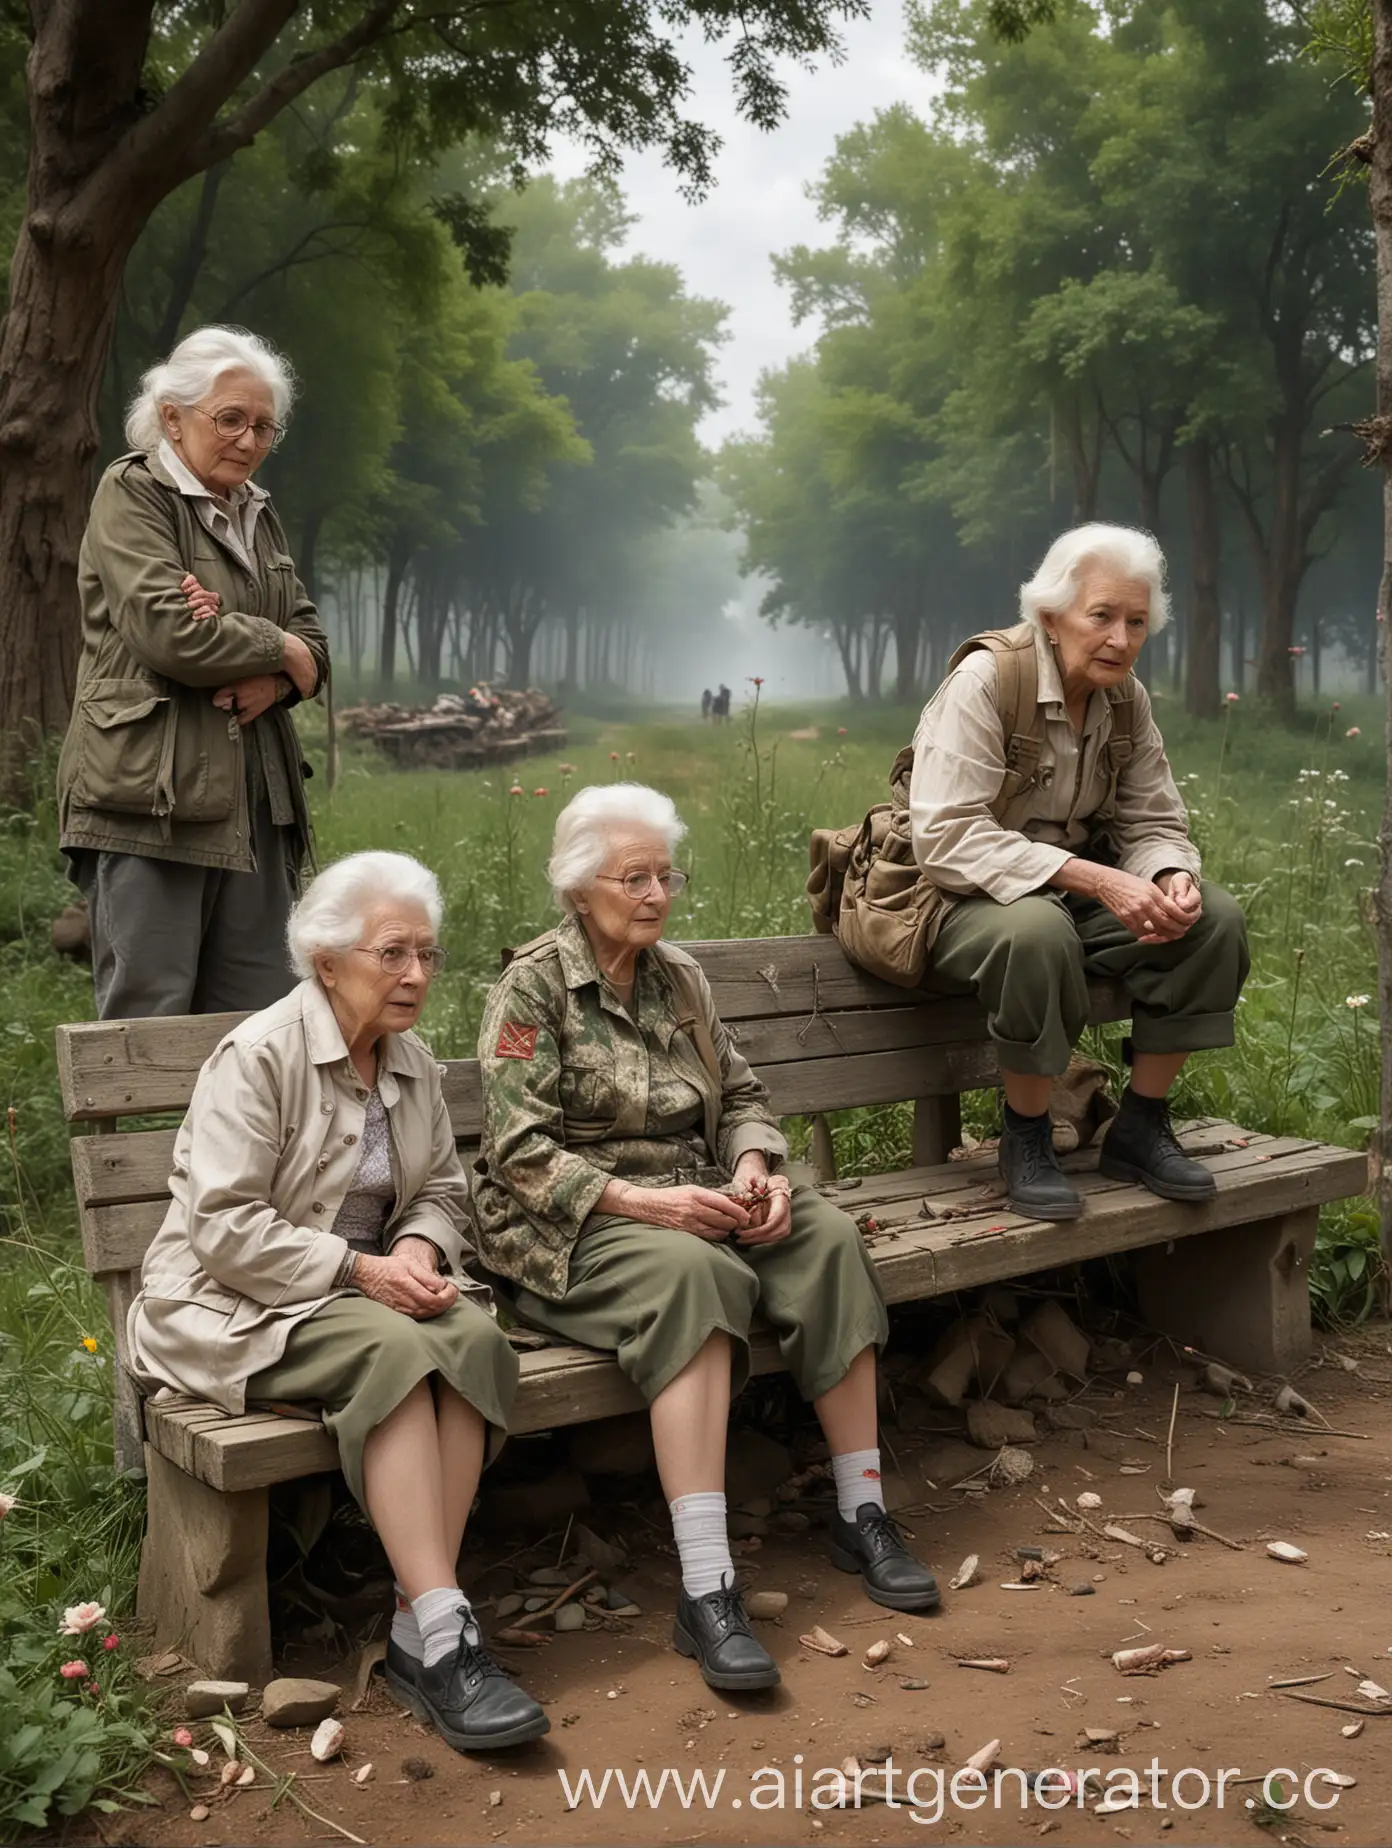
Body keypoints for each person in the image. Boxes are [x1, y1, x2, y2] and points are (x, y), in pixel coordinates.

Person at [472, 785, 940, 1696]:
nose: (656, 893)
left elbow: (747, 1097)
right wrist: (653, 1207)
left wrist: (758, 1167)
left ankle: (863, 1510)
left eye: (666, 875)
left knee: (827, 1237)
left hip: (698, 1196)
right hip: (575, 1222)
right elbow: (519, 1154)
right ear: (578, 887)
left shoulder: (678, 978)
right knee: (694, 1275)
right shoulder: (531, 988)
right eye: (634, 877)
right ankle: (707, 1583)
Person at [127, 852, 548, 1753]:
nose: (417, 976)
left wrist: (414, 1246)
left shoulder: (412, 1064)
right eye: (393, 954)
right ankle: (449, 1630)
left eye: (428, 956)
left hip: (366, 1288)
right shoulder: (261, 1056)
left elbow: (441, 1187)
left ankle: (415, 1628)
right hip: (233, 1297)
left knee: (474, 1341)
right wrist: (359, 1272)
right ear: (327, 959)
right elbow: (223, 1227)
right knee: (395, 1354)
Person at [909, 524, 1250, 1221]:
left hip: (1070, 893)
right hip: (960, 895)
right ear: (1051, 615)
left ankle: (1140, 1126)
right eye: (1101, 617)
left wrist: (1166, 874)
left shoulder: (1127, 701)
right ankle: (1027, 1137)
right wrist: (1096, 880)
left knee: (1212, 920)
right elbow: (945, 836)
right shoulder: (987, 680)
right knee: (1037, 933)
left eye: (1136, 622)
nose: (1120, 639)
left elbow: (1154, 820)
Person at [57, 325, 330, 1019]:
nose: (248, 439)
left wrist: (279, 670)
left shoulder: (257, 513)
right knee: (147, 1025)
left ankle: (230, 1138)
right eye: (231, 418)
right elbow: (172, 634)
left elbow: (315, 644)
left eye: (264, 427)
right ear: (172, 416)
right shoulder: (134, 494)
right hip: (151, 803)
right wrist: (278, 646)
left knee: (259, 1027)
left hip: (255, 806)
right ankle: (139, 1136)